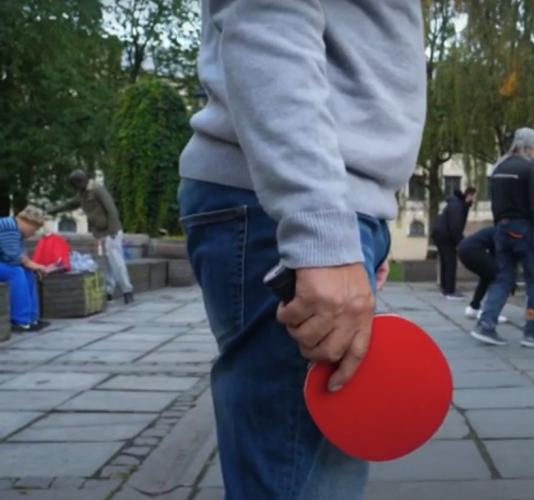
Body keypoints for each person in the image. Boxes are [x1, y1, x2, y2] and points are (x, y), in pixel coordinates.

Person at [177, 2, 425, 499]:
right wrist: (323, 237)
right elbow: (267, 14)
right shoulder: (312, 219)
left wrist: (362, 223)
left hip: (315, 199)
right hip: (295, 201)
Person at [470, 128, 534, 348]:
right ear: (530, 146)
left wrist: (500, 229)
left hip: (502, 230)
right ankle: (532, 332)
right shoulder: (528, 169)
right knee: (533, 280)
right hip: (524, 231)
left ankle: (486, 325)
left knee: (503, 279)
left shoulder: (498, 168)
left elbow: (496, 204)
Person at [49, 170, 134, 304]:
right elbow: (69, 204)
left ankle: (127, 291)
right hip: (100, 232)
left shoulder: (97, 190)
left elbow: (111, 209)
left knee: (116, 262)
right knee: (107, 263)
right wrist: (52, 210)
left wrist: (112, 230)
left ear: (81, 181)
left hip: (111, 231)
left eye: (76, 184)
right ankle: (109, 291)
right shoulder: (82, 194)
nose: (75, 187)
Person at [0, 206, 54, 332]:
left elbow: (19, 255)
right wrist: (39, 266)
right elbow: (14, 256)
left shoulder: (14, 229)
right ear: (29, 223)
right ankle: (20, 320)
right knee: (16, 272)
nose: (33, 234)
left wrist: (33, 266)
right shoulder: (9, 228)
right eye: (34, 230)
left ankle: (31, 318)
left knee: (27, 271)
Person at [432, 187, 476, 300]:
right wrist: (460, 242)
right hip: (446, 236)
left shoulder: (454, 203)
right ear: (469, 196)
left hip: (439, 234)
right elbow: (455, 226)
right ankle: (450, 291)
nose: (474, 200)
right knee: (451, 262)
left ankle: (445, 287)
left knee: (445, 261)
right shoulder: (459, 206)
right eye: (473, 197)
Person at [457, 226, 506, 323]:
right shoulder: (502, 232)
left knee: (486, 277)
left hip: (463, 249)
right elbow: (497, 253)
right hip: (473, 250)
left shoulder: (495, 229)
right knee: (497, 277)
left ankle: (473, 308)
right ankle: (489, 313)